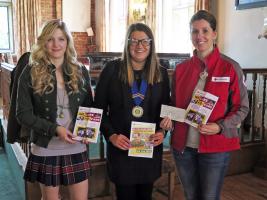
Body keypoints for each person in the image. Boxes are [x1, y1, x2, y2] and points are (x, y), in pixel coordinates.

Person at [160, 10, 249, 200]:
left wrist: (220, 126)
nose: (199, 36)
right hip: (183, 147)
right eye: (194, 31)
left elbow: (242, 108)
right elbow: (173, 104)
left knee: (209, 197)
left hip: (215, 147)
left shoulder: (230, 67)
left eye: (205, 31)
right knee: (191, 196)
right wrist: (169, 119)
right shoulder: (181, 69)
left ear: (214, 34)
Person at [16, 19, 93, 200]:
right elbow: (23, 114)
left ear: (67, 42)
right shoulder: (30, 72)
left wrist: (87, 132)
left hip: (76, 145)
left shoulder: (81, 71)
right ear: (43, 42)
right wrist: (55, 129)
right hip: (46, 147)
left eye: (61, 39)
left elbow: (89, 107)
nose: (56, 44)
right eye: (50, 39)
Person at [94, 23, 170, 200]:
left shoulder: (161, 73)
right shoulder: (112, 70)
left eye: (144, 41)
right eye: (134, 41)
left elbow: (166, 109)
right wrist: (111, 135)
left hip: (148, 148)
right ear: (127, 44)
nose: (139, 46)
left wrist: (163, 131)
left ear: (151, 44)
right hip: (122, 148)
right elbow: (98, 110)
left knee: (145, 196)